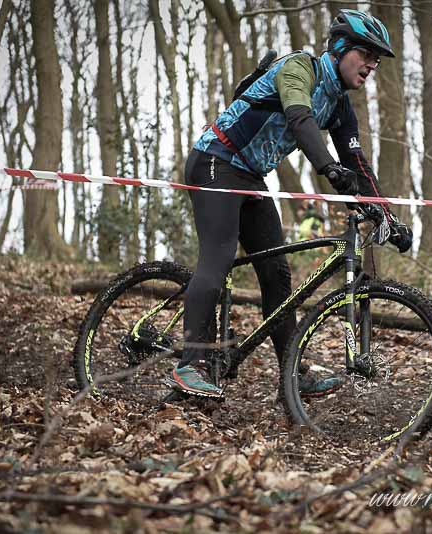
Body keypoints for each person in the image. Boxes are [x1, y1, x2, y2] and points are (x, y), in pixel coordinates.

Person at [166, 9, 413, 398]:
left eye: (376, 60)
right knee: (218, 256)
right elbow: (300, 119)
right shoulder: (300, 68)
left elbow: (357, 162)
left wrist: (386, 215)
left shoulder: (339, 104)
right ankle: (191, 364)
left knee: (277, 275)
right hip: (216, 160)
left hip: (250, 175)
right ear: (339, 48)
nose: (371, 65)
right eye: (365, 54)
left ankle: (291, 377)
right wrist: (328, 168)